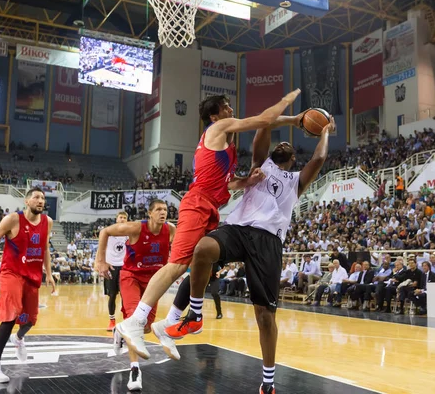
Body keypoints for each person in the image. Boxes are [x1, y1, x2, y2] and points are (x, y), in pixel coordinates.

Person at [113, 90, 304, 360]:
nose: (230, 110)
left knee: (204, 268)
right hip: (197, 203)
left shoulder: (224, 146)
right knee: (177, 264)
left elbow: (226, 183)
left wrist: (247, 182)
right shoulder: (219, 127)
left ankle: (170, 322)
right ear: (214, 115)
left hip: (211, 207)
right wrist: (291, 113)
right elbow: (264, 120)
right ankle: (136, 320)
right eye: (225, 107)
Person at [165, 115, 335, 394]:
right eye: (280, 143)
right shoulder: (261, 164)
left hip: (268, 242)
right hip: (239, 229)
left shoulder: (296, 181)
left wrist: (325, 130)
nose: (283, 144)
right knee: (203, 248)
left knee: (264, 316)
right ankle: (195, 314)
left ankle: (268, 382)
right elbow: (263, 127)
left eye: (289, 146)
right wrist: (284, 118)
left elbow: (318, 159)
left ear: (292, 160)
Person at [0, 188, 56, 383]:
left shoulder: (48, 222)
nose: (40, 200)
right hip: (11, 273)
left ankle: (18, 339)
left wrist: (49, 273)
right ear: (27, 201)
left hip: (32, 275)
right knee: (10, 313)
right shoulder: (13, 220)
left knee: (28, 320)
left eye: (43, 198)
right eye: (36, 197)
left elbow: (44, 248)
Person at [94, 200, 176, 391]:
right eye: (158, 209)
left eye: (165, 209)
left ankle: (119, 331)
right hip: (131, 276)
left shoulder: (170, 229)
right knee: (135, 322)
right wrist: (101, 260)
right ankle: (135, 369)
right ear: (149, 213)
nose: (163, 212)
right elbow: (105, 231)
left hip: (154, 280)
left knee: (146, 328)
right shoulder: (135, 228)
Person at [104, 211, 129, 331]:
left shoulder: (130, 234)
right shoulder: (108, 232)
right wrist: (104, 262)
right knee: (112, 295)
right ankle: (112, 321)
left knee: (126, 296)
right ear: (116, 219)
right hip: (111, 267)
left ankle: (126, 321)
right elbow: (102, 248)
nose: (123, 219)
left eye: (125, 218)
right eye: (121, 217)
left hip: (125, 267)